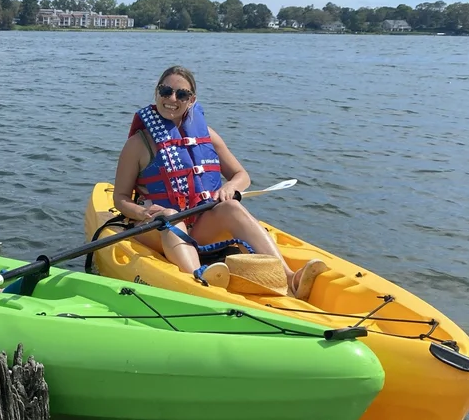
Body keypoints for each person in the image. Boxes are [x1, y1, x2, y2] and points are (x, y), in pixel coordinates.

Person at [112, 64, 327, 299]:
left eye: (181, 94)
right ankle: (197, 278)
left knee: (232, 207)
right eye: (166, 91)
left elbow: (241, 175)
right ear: (157, 93)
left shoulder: (206, 136)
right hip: (155, 228)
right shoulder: (138, 144)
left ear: (192, 100)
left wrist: (230, 187)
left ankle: (289, 278)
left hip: (200, 226)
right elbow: (120, 198)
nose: (172, 99)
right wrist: (144, 213)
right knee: (172, 217)